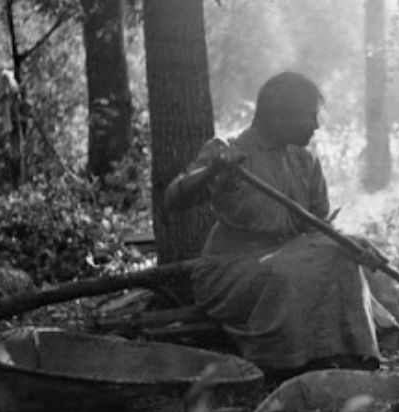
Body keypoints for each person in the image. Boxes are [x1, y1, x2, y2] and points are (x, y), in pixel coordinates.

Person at [164, 72, 383, 375]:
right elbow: (174, 198)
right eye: (310, 117)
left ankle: (352, 357)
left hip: (288, 258)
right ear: (279, 117)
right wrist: (211, 172)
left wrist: (351, 243)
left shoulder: (306, 161)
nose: (317, 126)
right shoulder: (229, 150)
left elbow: (320, 229)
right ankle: (282, 364)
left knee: (341, 258)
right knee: (288, 272)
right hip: (231, 270)